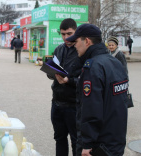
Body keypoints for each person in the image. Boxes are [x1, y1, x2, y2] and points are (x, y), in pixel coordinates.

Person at [66, 24, 128, 156]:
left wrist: (87, 143)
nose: (74, 45)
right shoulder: (115, 62)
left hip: (98, 145)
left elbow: (92, 108)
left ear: (87, 41)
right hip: (116, 140)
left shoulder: (93, 67)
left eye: (76, 41)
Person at [47, 18, 82, 156]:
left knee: (76, 141)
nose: (66, 37)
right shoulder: (58, 49)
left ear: (76, 31)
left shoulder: (82, 50)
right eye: (63, 34)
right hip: (56, 102)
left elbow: (85, 81)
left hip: (73, 105)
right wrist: (52, 74)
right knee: (59, 139)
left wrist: (69, 80)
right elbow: (51, 72)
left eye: (69, 33)